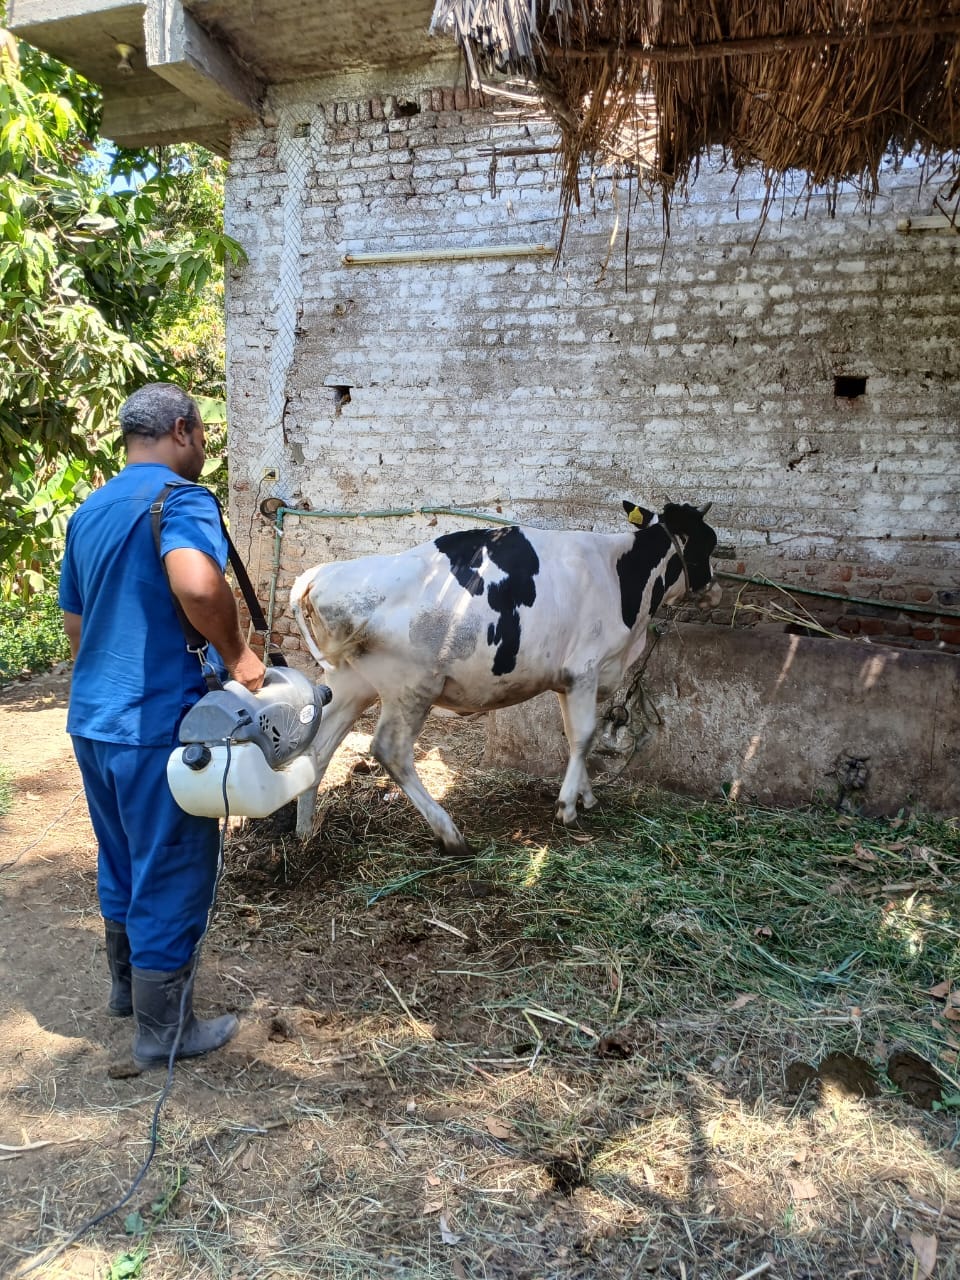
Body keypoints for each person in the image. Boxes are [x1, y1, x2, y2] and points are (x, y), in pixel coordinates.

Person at [58, 382, 266, 1069]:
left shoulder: (89, 511)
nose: (204, 449)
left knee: (121, 856)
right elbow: (200, 585)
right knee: (172, 865)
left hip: (94, 721)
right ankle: (166, 1030)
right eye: (203, 435)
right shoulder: (177, 500)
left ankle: (126, 992)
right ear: (182, 430)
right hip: (154, 723)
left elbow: (76, 626)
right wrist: (238, 656)